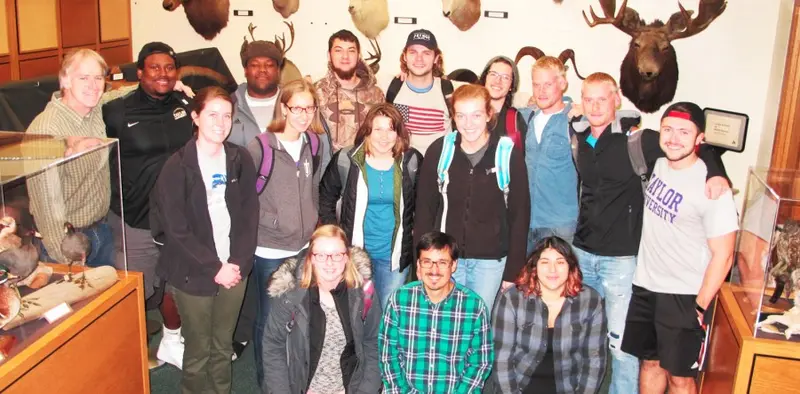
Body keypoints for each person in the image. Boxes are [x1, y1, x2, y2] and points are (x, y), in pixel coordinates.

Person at [568, 72, 730, 394]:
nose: (596, 105)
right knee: (591, 342)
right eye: (589, 98)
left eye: (603, 98)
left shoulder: (638, 141)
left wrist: (716, 172)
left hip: (626, 263)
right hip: (593, 258)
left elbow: (695, 146)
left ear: (617, 99)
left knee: (622, 349)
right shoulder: (579, 138)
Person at [621, 102, 738, 394]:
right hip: (646, 285)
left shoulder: (714, 189)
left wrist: (700, 304)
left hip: (684, 295)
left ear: (700, 138)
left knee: (680, 378)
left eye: (684, 132)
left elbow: (724, 256)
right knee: (649, 364)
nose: (674, 138)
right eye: (668, 129)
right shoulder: (657, 162)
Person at [151, 86, 258, 393]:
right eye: (212, 114)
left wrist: (237, 263)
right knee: (198, 351)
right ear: (195, 117)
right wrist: (215, 267)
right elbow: (176, 229)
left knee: (223, 346)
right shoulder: (176, 167)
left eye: (227, 115)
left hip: (234, 269)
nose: (220, 122)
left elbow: (249, 216)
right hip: (193, 271)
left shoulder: (240, 160)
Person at [103, 42, 193, 369]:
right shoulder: (116, 111)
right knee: (133, 293)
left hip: (175, 220)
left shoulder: (185, 103)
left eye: (169, 68)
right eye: (154, 68)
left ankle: (171, 342)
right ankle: (124, 357)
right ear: (139, 72)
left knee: (172, 285)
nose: (163, 74)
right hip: (135, 220)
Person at [245, 78, 330, 387]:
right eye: (297, 108)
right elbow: (244, 198)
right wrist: (275, 222)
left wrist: (314, 222)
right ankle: (267, 382)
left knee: (297, 314)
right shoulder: (262, 146)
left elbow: (314, 188)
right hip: (270, 249)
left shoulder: (315, 143)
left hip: (303, 245)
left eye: (309, 108)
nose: (304, 115)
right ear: (284, 107)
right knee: (269, 321)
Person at [414, 84, 530, 310]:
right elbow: (424, 212)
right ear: (453, 118)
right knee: (445, 321)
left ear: (489, 114)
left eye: (476, 115)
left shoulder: (507, 154)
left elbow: (520, 215)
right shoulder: (439, 151)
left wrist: (514, 268)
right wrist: (421, 260)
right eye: (461, 116)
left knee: (476, 323)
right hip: (445, 258)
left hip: (491, 262)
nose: (469, 124)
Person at [25, 49, 126, 269]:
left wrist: (168, 83)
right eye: (83, 77)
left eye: (98, 77)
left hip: (102, 232)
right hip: (68, 243)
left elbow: (120, 93)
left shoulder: (95, 109)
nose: (93, 84)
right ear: (65, 81)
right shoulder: (45, 130)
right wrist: (66, 260)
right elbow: (46, 209)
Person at [319, 103, 421, 309]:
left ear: (399, 133)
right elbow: (325, 199)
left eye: (390, 129)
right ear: (367, 131)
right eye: (378, 129)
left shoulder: (411, 162)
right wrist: (336, 235)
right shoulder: (347, 160)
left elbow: (424, 204)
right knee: (357, 312)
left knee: (387, 313)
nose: (384, 137)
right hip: (355, 254)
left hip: (394, 258)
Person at [262, 224, 382, 394]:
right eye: (321, 255)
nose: (329, 262)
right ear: (311, 258)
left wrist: (364, 390)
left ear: (347, 257)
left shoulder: (365, 293)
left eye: (337, 255)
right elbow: (273, 345)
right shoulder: (290, 294)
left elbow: (374, 343)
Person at [486, 236, 607, 394]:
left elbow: (594, 361)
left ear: (571, 267)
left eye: (560, 262)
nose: (553, 270)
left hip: (569, 388)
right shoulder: (512, 299)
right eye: (545, 262)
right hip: (520, 386)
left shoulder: (591, 300)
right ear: (534, 267)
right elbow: (501, 359)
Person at [227, 36, 285, 361]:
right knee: (240, 270)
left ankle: (272, 335)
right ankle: (239, 333)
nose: (262, 69)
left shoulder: (293, 103)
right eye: (255, 63)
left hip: (281, 211)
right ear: (245, 68)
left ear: (279, 69)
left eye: (269, 64)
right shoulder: (229, 105)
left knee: (276, 276)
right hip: (237, 208)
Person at [379, 231, 493, 393]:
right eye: (427, 262)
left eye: (442, 262)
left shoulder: (474, 306)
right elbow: (388, 356)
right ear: (418, 265)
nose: (434, 270)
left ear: (453, 265)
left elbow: (480, 363)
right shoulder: (399, 300)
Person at [520, 56, 579, 249]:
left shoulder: (575, 120)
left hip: (561, 226)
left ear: (562, 83)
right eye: (536, 85)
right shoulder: (527, 118)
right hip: (528, 224)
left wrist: (585, 108)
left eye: (547, 84)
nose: (541, 91)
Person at [314, 29, 385, 151]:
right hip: (326, 167)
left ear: (359, 56)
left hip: (364, 166)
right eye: (338, 50)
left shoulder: (376, 95)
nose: (345, 56)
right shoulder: (316, 92)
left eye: (351, 51)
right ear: (329, 55)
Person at [386, 29, 453, 155]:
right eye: (413, 52)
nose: (419, 59)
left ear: (435, 58)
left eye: (426, 53)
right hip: (402, 169)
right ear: (405, 56)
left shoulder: (449, 90)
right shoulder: (392, 86)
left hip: (439, 169)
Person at [477, 56, 527, 150]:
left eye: (505, 77)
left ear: (511, 86)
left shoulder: (515, 120)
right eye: (493, 74)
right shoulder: (468, 113)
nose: (498, 81)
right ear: (485, 78)